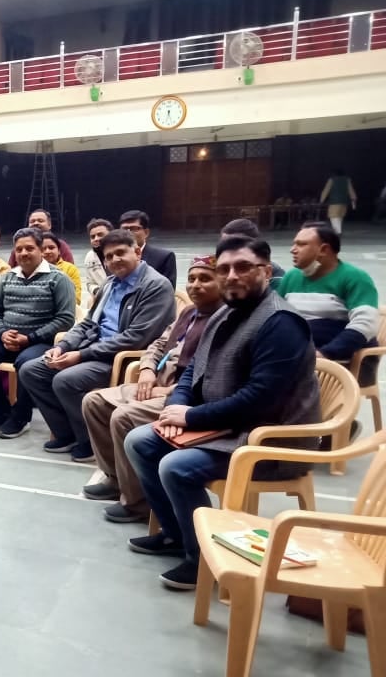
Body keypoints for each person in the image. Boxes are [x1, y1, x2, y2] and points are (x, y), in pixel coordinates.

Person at [124, 235, 320, 590]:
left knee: (176, 466)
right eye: (224, 268)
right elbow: (192, 371)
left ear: (266, 271)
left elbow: (262, 400)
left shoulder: (280, 323)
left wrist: (192, 418)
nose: (231, 275)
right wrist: (175, 408)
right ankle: (176, 534)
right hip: (226, 427)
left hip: (268, 439)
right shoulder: (224, 313)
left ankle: (203, 561)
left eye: (243, 267)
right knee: (139, 441)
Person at [81, 256, 223, 523]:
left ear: (222, 283)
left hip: (183, 395)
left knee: (124, 417)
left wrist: (168, 392)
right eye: (192, 279)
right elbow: (158, 344)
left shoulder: (223, 321)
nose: (195, 285)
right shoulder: (189, 313)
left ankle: (138, 502)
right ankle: (115, 479)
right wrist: (147, 369)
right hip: (157, 381)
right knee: (94, 401)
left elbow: (210, 376)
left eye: (205, 279)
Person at [18, 229, 176, 458]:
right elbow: (87, 323)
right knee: (31, 370)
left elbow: (136, 337)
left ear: (138, 252)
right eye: (108, 256)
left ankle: (92, 441)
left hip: (123, 357)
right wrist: (62, 347)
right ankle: (67, 433)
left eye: (120, 253)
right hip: (93, 349)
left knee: (65, 380)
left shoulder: (156, 286)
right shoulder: (110, 284)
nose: (114, 260)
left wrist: (81, 355)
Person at [0, 227, 76, 436]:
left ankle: (20, 417)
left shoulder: (59, 279)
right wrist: (2, 333)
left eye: (29, 248)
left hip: (40, 341)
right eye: (19, 249)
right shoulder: (8, 277)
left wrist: (29, 338)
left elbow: (65, 319)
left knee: (26, 364)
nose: (23, 253)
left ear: (41, 250)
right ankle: (0, 411)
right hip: (6, 337)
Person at [278, 222, 380, 385]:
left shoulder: (355, 278)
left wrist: (326, 353)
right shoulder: (291, 277)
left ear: (324, 250)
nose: (293, 249)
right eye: (294, 244)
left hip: (344, 362)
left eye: (301, 244)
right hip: (301, 356)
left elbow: (365, 324)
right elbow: (275, 315)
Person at [118, 210, 176, 287]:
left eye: (134, 228)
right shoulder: (113, 257)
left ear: (146, 232)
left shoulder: (164, 257)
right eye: (124, 229)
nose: (128, 233)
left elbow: (168, 289)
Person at [219, 218, 285, 284]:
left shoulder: (277, 278)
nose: (224, 249)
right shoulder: (219, 269)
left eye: (232, 244)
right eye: (223, 243)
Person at [9, 210, 74, 266]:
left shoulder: (60, 245)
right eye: (32, 221)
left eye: (40, 221)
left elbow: (69, 267)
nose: (36, 223)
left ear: (49, 225)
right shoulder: (21, 247)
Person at [39, 231, 82, 303]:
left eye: (51, 248)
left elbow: (76, 298)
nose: (47, 251)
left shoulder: (70, 269)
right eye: (43, 249)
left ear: (59, 251)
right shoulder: (32, 270)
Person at [320, 168, 357, 234]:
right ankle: (338, 231)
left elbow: (326, 190)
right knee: (340, 218)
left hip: (334, 202)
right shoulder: (347, 180)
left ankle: (338, 232)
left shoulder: (332, 180)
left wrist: (321, 200)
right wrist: (353, 198)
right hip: (344, 202)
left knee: (334, 217)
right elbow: (351, 190)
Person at [82, 218, 113, 297]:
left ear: (111, 235)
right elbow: (90, 283)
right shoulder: (90, 257)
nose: (96, 239)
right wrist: (97, 291)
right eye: (92, 237)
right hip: (102, 296)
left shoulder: (122, 253)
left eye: (100, 235)